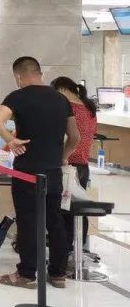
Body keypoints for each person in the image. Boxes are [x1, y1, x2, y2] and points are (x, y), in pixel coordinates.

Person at [0, 56, 79, 290]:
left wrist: (10, 139)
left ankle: (27, 273)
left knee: (28, 221)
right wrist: (63, 156)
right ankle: (58, 274)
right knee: (55, 220)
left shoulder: (17, 97)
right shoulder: (61, 99)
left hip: (27, 172)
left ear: (18, 76)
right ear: (40, 73)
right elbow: (75, 137)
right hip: (53, 172)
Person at [51, 77, 99, 259]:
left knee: (64, 210)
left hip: (68, 166)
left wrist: (62, 156)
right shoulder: (88, 108)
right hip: (83, 166)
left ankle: (64, 253)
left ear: (61, 89)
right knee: (77, 209)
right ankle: (77, 250)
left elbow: (72, 137)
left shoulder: (68, 107)